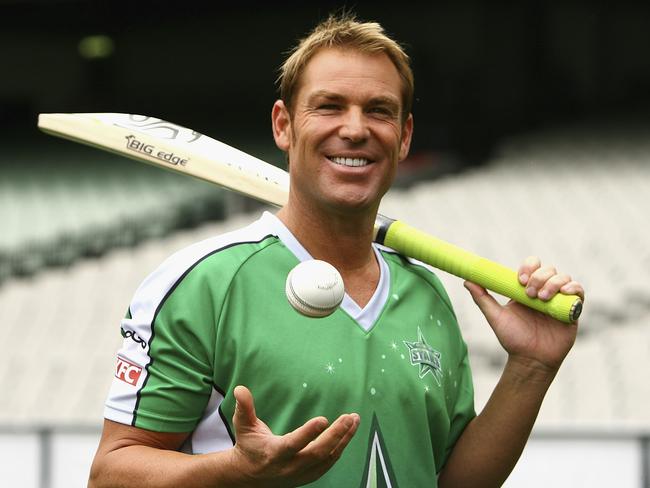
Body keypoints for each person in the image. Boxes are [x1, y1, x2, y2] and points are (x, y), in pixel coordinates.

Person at [89, 13, 584, 488]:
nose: (354, 128)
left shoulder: (425, 292)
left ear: (404, 136)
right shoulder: (203, 284)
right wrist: (238, 473)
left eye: (379, 110)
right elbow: (111, 475)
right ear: (284, 125)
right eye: (329, 106)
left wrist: (532, 366)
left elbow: (451, 481)